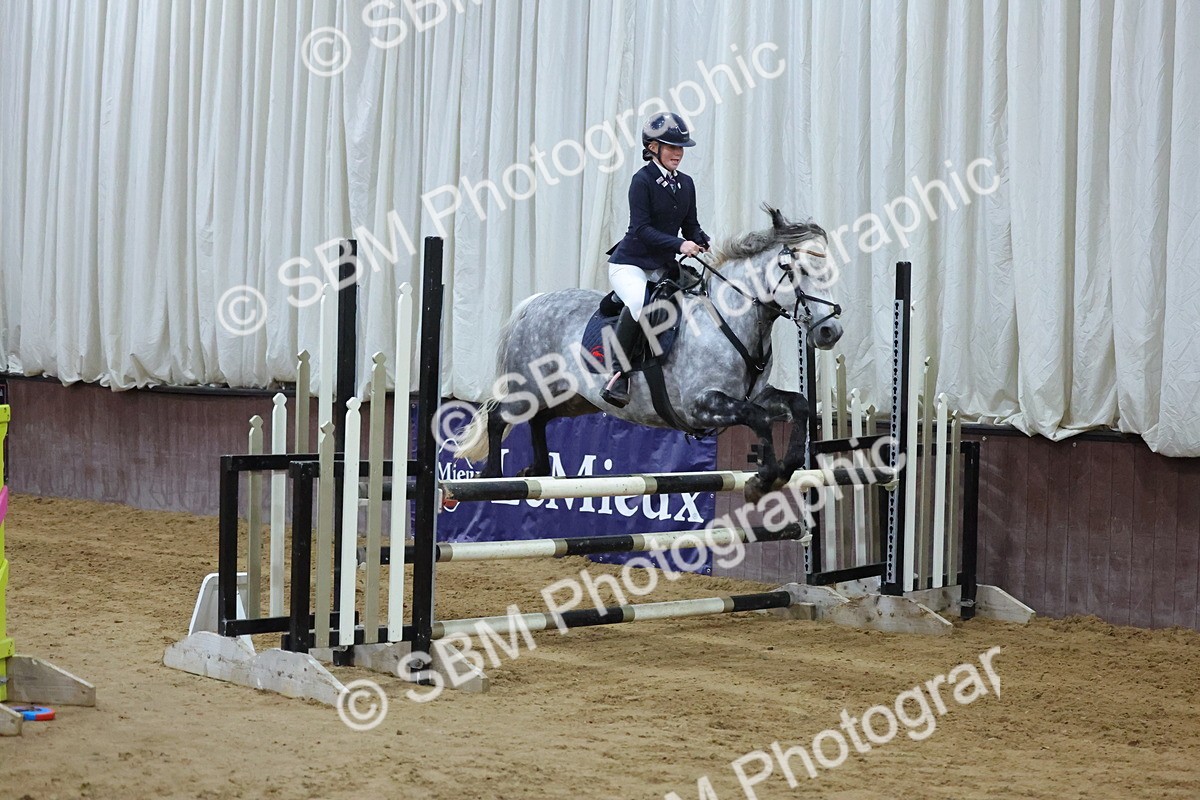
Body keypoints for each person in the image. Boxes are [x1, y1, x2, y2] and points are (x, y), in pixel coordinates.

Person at [601, 111, 710, 408]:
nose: (678, 153)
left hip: (662, 266)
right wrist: (680, 244)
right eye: (672, 147)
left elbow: (690, 225)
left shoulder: (686, 183)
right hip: (631, 263)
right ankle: (618, 374)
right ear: (653, 147)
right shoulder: (642, 181)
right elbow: (642, 229)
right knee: (638, 302)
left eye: (681, 148)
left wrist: (700, 238)